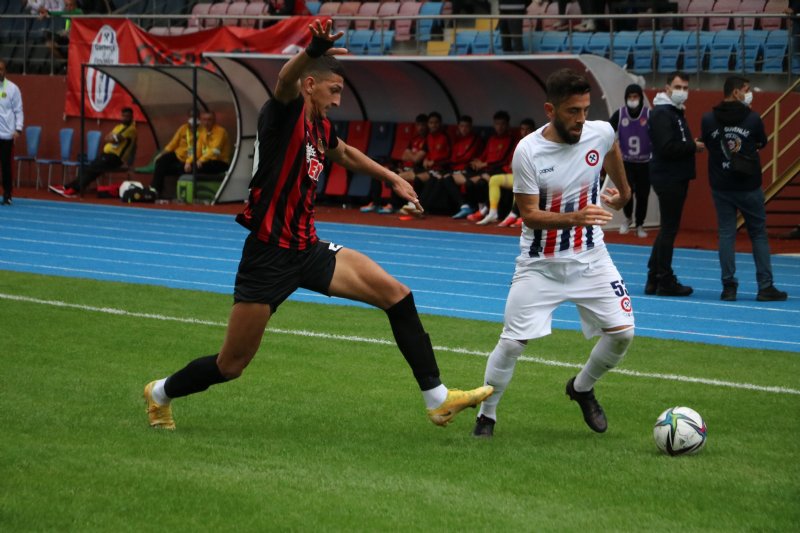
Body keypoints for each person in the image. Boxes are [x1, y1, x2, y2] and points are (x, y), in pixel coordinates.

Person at [142, 20, 492, 432]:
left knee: (396, 295)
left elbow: (345, 155)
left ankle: (437, 399)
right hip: (268, 256)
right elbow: (284, 78)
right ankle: (160, 393)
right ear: (311, 85)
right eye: (334, 91)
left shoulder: (320, 127)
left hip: (308, 249)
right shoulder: (285, 113)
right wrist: (311, 49)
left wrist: (394, 179)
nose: (339, 101)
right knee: (231, 365)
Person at [472, 68, 633, 439]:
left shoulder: (599, 131)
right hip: (539, 265)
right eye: (572, 111)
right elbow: (528, 215)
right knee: (512, 343)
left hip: (592, 258)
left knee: (623, 334)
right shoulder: (528, 151)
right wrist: (576, 216)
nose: (580, 120)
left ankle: (581, 388)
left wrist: (623, 191)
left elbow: (611, 147)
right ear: (550, 109)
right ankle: (487, 415)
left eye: (585, 110)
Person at [700, 76, 788, 302]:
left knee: (726, 234)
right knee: (758, 234)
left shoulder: (709, 119)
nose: (750, 93)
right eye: (746, 90)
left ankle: (729, 286)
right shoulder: (752, 118)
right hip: (748, 185)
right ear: (737, 92)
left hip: (721, 185)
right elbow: (761, 142)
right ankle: (765, 286)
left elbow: (709, 145)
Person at [645, 71, 704, 297]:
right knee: (669, 229)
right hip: (669, 176)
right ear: (667, 88)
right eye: (678, 87)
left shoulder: (674, 112)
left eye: (686, 87)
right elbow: (666, 147)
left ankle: (654, 277)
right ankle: (665, 279)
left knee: (667, 229)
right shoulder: (662, 113)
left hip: (674, 176)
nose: (682, 92)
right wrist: (692, 146)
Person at [49, 106, 136, 198]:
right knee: (89, 169)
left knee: (91, 170)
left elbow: (116, 139)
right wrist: (113, 137)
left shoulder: (131, 129)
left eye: (128, 116)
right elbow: (107, 138)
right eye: (124, 116)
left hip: (115, 158)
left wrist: (113, 137)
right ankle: (67, 187)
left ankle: (73, 189)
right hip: (106, 156)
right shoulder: (118, 127)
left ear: (131, 117)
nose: (125, 118)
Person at [453, 110, 515, 219]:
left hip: (497, 170)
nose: (499, 127)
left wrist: (483, 164)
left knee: (481, 183)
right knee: (468, 183)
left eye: (502, 124)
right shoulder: (492, 139)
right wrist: (477, 161)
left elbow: (503, 160)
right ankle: (473, 207)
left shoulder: (510, 139)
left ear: (507, 125)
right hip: (485, 169)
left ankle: (485, 211)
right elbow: (484, 155)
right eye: (497, 124)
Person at [609, 83, 652, 238]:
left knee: (643, 195)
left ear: (640, 98)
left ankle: (640, 224)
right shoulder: (620, 114)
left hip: (645, 163)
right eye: (630, 97)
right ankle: (628, 219)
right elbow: (607, 130)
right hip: (626, 162)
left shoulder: (648, 115)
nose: (632, 100)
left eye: (635, 97)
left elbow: (658, 134)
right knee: (626, 193)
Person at [476, 118, 536, 226]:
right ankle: (493, 212)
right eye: (523, 129)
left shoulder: (537, 143)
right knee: (494, 179)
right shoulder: (520, 142)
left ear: (533, 130)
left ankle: (516, 215)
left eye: (528, 130)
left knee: (519, 183)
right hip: (515, 175)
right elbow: (510, 162)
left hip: (530, 178)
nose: (525, 132)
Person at [149, 109, 200, 198]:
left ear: (199, 118)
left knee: (182, 168)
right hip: (179, 155)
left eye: (196, 117)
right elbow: (173, 144)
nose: (193, 119)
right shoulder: (183, 128)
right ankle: (155, 189)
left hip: (192, 158)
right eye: (191, 117)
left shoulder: (203, 130)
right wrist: (161, 154)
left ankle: (180, 193)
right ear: (188, 118)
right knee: (161, 161)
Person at [0, 59, 24, 206]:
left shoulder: (13, 89)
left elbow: (18, 110)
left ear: (5, 71)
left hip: (7, 135)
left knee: (6, 167)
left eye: (1, 69)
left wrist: (18, 129)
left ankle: (7, 194)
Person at [194, 110, 231, 176]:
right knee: (187, 167)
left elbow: (215, 150)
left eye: (209, 120)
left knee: (198, 168)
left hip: (220, 162)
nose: (206, 122)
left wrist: (201, 160)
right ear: (201, 121)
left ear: (214, 121)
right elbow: (198, 150)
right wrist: (189, 161)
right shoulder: (202, 132)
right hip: (207, 160)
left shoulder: (220, 131)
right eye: (204, 120)